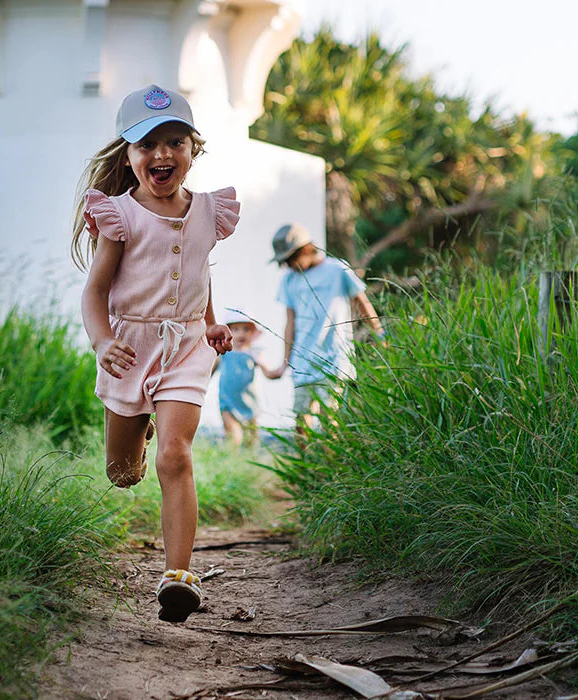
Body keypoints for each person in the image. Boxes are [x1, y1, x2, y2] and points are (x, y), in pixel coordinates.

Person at [72, 84, 239, 623]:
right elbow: (94, 293)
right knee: (122, 472)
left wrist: (210, 325)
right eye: (147, 144)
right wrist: (103, 341)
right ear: (129, 154)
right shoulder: (118, 215)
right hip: (129, 346)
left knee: (176, 455)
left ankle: (179, 575)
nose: (162, 154)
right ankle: (137, 430)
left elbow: (196, 272)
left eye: (175, 141)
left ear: (194, 149)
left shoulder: (210, 211)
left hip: (186, 344)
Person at [268, 223, 384, 432]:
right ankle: (305, 465)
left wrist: (379, 333)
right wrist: (285, 361)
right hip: (303, 360)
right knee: (301, 423)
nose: (289, 266)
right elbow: (290, 323)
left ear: (305, 249)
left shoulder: (337, 269)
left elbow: (362, 302)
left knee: (330, 420)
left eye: (291, 260)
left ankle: (332, 463)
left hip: (333, 359)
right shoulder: (289, 280)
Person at [214, 310, 279, 449]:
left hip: (249, 402)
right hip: (228, 402)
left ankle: (247, 463)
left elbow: (267, 371)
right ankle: (230, 460)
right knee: (234, 436)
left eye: (246, 329)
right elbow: (209, 372)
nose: (241, 333)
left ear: (252, 333)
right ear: (228, 332)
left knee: (251, 439)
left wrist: (277, 372)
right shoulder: (224, 352)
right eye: (236, 329)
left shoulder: (254, 353)